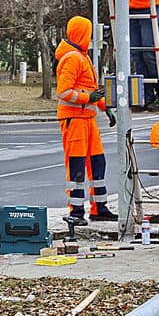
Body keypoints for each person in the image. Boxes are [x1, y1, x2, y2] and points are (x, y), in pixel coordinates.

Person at [55, 16, 118, 224]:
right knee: (77, 165)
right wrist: (88, 98)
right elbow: (64, 92)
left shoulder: (82, 56)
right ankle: (76, 211)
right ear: (82, 33)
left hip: (87, 119)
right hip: (74, 120)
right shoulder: (73, 58)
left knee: (97, 162)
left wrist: (103, 106)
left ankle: (99, 207)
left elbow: (90, 90)